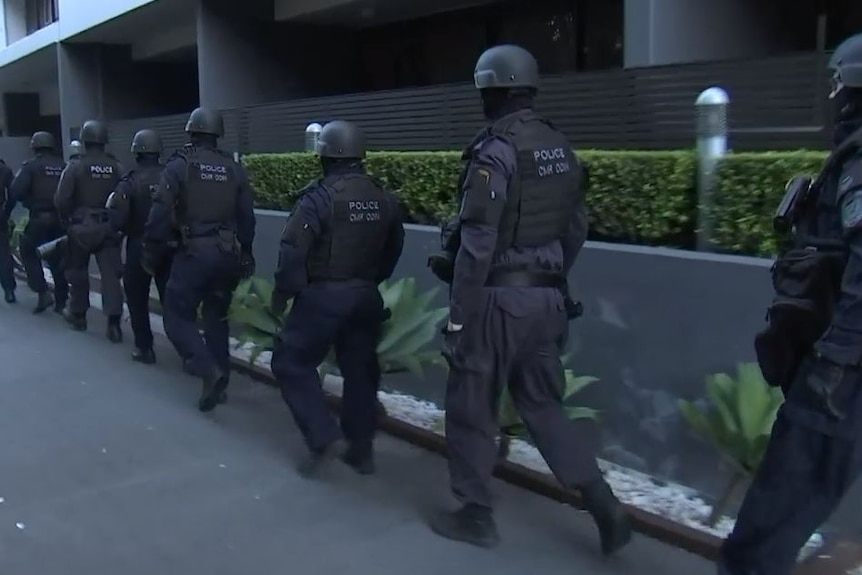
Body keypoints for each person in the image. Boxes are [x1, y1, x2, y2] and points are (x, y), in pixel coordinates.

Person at [428, 44, 632, 555]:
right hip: (546, 301)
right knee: (544, 405)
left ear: (489, 90)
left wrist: (458, 318)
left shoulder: (495, 151)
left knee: (472, 405)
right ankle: (602, 503)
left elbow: (477, 244)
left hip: (496, 302)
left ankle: (476, 516)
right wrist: (552, 279)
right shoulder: (559, 146)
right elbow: (577, 226)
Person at [720, 33, 862, 575]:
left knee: (764, 532)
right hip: (841, 372)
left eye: (841, 88)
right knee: (794, 511)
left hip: (838, 379)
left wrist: (834, 363)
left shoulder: (858, 163)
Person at [269, 120, 404, 477]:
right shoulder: (383, 197)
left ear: (324, 155)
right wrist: (370, 282)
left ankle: (323, 435)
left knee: (290, 361)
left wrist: (284, 294)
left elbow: (293, 249)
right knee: (360, 371)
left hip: (324, 296)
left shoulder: (318, 197)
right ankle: (361, 451)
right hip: (365, 296)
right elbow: (394, 247)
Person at [143, 107, 255, 412]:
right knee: (216, 317)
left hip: (195, 252)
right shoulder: (233, 167)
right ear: (217, 135)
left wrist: (152, 250)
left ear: (191, 132)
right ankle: (222, 383)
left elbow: (159, 213)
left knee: (177, 315)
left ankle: (208, 371)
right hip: (228, 253)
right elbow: (247, 216)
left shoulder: (180, 165)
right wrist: (246, 251)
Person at [55, 120, 124, 340]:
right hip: (108, 227)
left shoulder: (76, 166)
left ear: (84, 141)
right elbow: (125, 197)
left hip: (81, 227)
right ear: (104, 141)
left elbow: (61, 199)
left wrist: (68, 220)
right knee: (111, 277)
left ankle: (78, 315)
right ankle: (114, 325)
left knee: (78, 272)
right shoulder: (117, 167)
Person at [107, 129, 171, 364]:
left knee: (137, 300)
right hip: (170, 247)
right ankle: (188, 353)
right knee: (173, 301)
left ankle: (145, 348)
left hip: (139, 247)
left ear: (136, 152)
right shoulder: (172, 178)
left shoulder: (130, 182)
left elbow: (117, 220)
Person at [5, 131, 68, 314]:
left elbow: (15, 191)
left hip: (39, 218)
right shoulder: (63, 166)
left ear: (34, 147)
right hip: (60, 219)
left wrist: (23, 204)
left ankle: (42, 291)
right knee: (58, 258)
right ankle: (62, 300)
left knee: (28, 251)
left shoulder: (31, 167)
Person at [0, 157, 16, 303]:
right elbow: (14, 193)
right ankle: (9, 290)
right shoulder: (4, 169)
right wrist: (6, 212)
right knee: (3, 253)